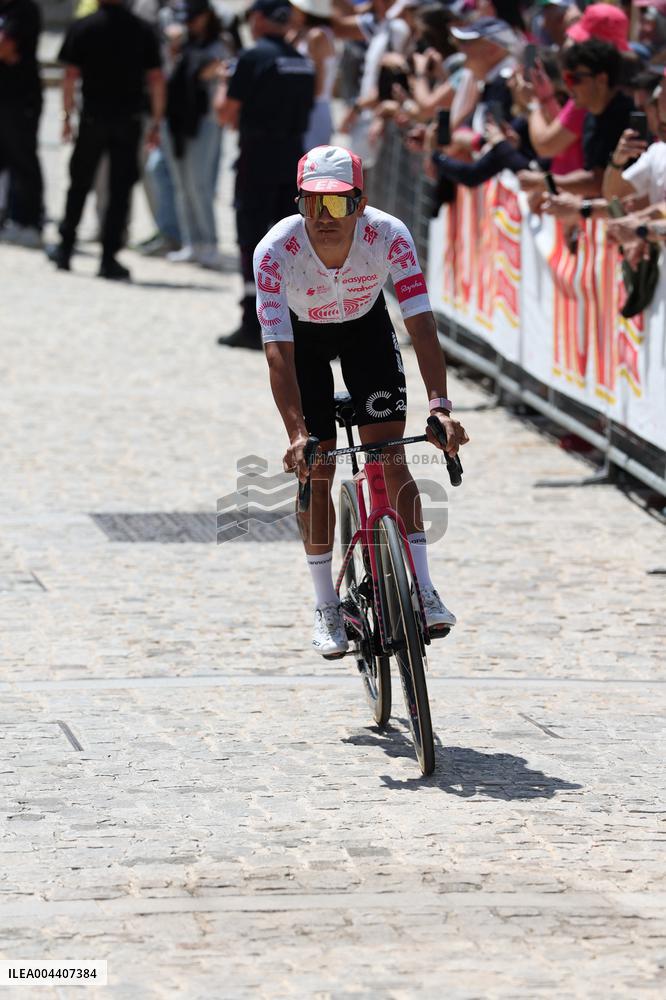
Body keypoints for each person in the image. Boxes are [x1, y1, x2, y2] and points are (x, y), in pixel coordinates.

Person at [253, 144, 469, 657]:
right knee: (318, 467)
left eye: (338, 205)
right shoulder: (274, 251)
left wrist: (440, 405)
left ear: (361, 204)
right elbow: (278, 351)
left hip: (365, 332)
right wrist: (296, 435)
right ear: (298, 202)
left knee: (392, 457)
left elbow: (420, 322)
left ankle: (424, 587)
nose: (324, 218)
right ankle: (327, 604)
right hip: (303, 341)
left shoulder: (389, 235)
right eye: (312, 204)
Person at [215, 0, 315, 350]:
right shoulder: (303, 63)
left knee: (251, 240)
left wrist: (223, 83)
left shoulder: (253, 57)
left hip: (257, 157)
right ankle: (295, 324)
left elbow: (226, 114)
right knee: (290, 242)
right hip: (292, 158)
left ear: (258, 19)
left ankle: (250, 321)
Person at [51, 0, 165, 280]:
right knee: (120, 190)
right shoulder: (142, 29)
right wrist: (157, 121)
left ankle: (66, 247)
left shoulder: (84, 26)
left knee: (79, 183)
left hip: (92, 118)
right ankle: (108, 257)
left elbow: (69, 76)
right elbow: (156, 78)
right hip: (128, 120)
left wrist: (67, 116)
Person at [519, 38, 635, 199]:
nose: (568, 86)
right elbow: (593, 175)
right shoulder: (591, 115)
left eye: (575, 79)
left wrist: (545, 182)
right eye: (566, 79)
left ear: (602, 79)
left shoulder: (624, 116)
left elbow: (597, 183)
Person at [165, 0, 226, 269]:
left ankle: (209, 243)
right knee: (181, 185)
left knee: (200, 184)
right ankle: (192, 242)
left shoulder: (220, 43)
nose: (190, 22)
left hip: (205, 121)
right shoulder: (182, 44)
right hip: (177, 120)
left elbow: (216, 70)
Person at [0, 0, 43, 248]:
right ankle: (9, 216)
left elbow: (6, 47)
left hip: (21, 97)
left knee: (23, 158)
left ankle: (30, 221)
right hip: (3, 95)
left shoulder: (23, 9)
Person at [289, 0, 337, 150]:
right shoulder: (305, 32)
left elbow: (319, 86)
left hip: (314, 108)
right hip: (308, 106)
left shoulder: (317, 35)